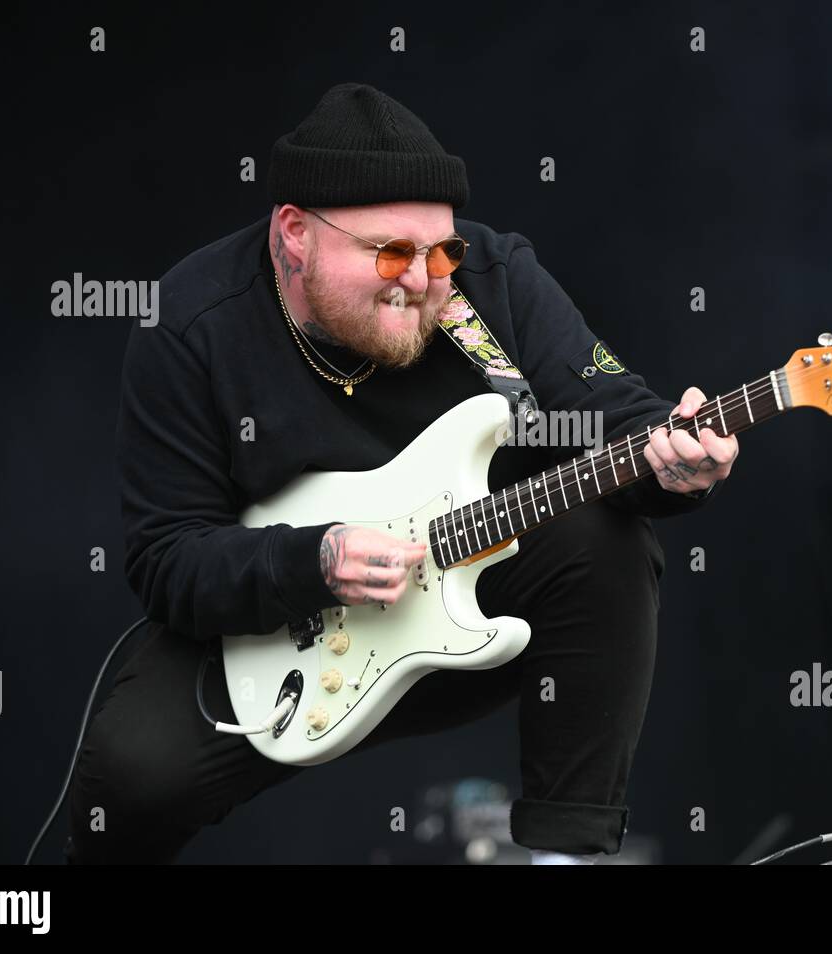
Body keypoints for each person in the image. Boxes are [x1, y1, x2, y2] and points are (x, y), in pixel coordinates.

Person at [64, 82, 738, 865]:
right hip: (278, 639)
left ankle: (568, 857)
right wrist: (312, 560)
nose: (420, 279)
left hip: (463, 608)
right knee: (131, 775)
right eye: (388, 251)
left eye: (440, 251)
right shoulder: (188, 325)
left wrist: (678, 464)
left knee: (603, 537)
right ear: (294, 236)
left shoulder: (492, 280)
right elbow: (166, 558)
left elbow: (616, 415)